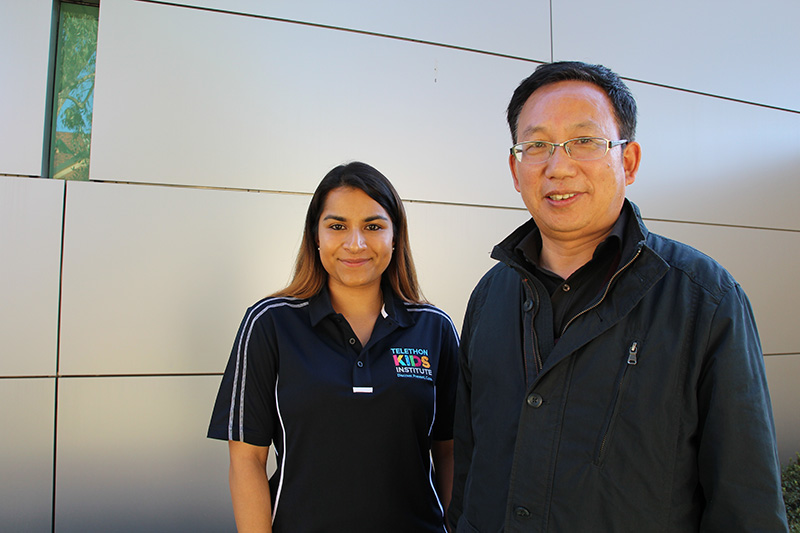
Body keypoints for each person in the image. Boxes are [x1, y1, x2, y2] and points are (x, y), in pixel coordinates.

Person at [449, 61, 788, 532]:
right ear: (515, 167)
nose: (558, 165)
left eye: (584, 141)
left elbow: (746, 505)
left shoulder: (704, 300)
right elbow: (469, 467)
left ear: (627, 161)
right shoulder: (490, 296)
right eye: (537, 145)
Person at [208, 161, 459, 532]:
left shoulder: (434, 328)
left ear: (395, 236)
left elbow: (451, 453)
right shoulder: (270, 324)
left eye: (373, 226)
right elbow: (246, 461)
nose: (354, 243)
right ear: (316, 235)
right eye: (337, 226)